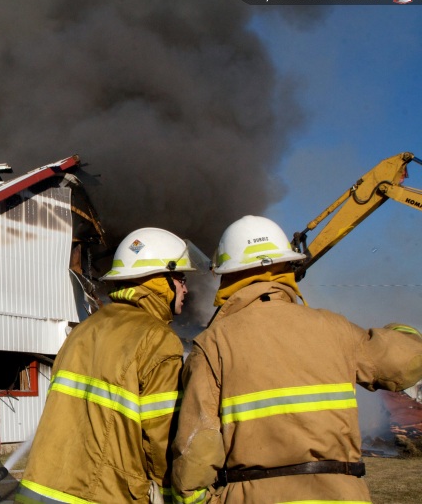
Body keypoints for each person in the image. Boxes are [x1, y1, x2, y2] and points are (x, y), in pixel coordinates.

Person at [171, 215, 422, 503]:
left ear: (227, 275)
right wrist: (402, 332)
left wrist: (197, 498)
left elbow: (198, 443)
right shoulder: (335, 328)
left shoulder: (213, 343)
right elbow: (405, 362)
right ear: (288, 267)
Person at [16, 228, 197, 503]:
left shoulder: (83, 330)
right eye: (180, 278)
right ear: (160, 280)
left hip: (38, 490)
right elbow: (162, 437)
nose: (185, 288)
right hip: (99, 495)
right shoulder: (158, 339)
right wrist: (176, 494)